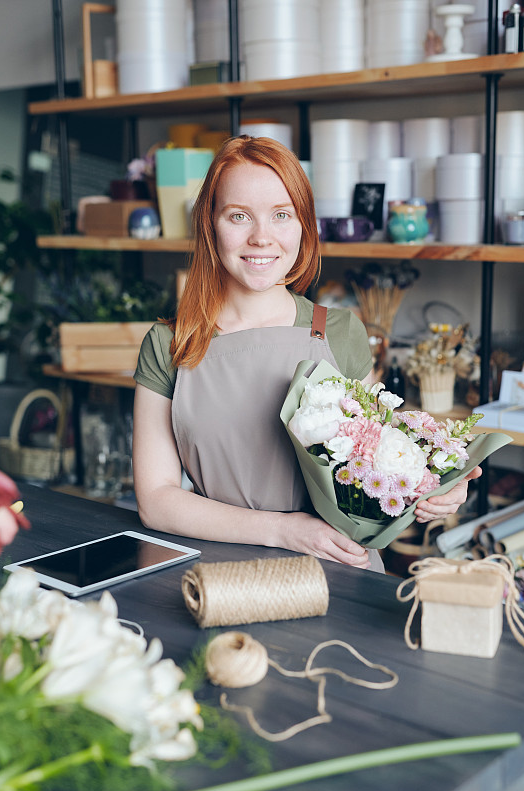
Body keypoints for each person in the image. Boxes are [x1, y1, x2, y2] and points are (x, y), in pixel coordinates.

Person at [133, 135, 480, 573]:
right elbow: (157, 502)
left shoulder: (339, 331)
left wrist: (435, 485)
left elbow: (384, 457)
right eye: (238, 216)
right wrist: (285, 530)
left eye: (282, 215)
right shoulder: (169, 345)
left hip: (340, 568)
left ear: (304, 226)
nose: (262, 237)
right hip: (221, 574)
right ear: (210, 224)